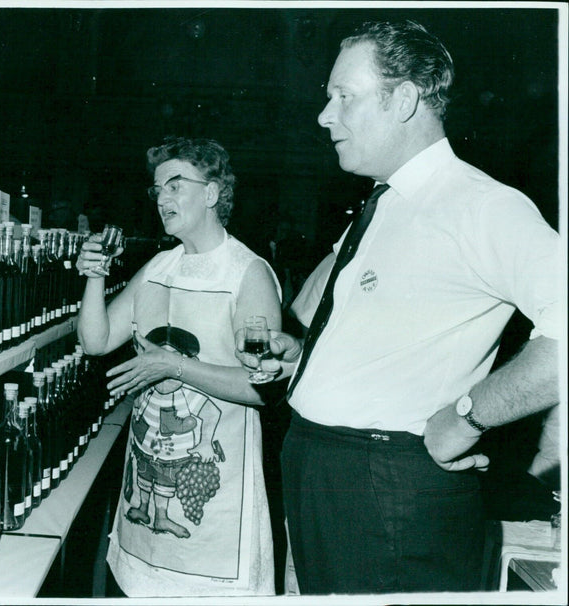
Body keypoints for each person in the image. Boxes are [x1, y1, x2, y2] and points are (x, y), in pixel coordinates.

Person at [238, 20, 562, 594]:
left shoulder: (482, 206)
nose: (324, 116)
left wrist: (467, 416)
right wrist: (302, 358)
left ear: (405, 98)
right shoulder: (384, 201)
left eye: (345, 97)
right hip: (326, 469)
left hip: (387, 489)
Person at [76, 136, 281, 597]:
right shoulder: (158, 267)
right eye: (157, 190)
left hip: (218, 493)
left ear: (211, 193)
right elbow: (95, 340)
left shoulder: (248, 273)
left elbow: (260, 387)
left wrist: (173, 366)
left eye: (175, 185)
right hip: (143, 487)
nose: (162, 199)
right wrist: (94, 276)